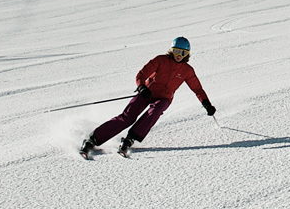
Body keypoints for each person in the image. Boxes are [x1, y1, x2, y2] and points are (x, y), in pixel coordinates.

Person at [81, 37, 216, 158]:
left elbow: (197, 88)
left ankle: (130, 138)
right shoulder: (160, 60)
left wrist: (206, 104)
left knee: (156, 110)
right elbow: (141, 74)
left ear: (187, 54)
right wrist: (142, 87)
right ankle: (93, 139)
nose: (179, 55)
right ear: (171, 50)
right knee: (127, 117)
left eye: (182, 53)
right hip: (147, 93)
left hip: (164, 98)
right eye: (176, 51)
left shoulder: (187, 70)